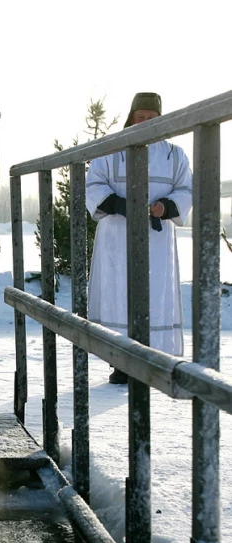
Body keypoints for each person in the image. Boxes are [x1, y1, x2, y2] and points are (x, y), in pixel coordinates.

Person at [86, 92, 193, 383]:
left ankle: (151, 359)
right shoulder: (111, 149)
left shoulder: (174, 154)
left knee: (155, 296)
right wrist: (121, 205)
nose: (145, 122)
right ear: (132, 117)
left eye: (151, 118)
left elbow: (185, 190)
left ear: (161, 119)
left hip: (156, 239)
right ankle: (120, 361)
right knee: (118, 294)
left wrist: (166, 206)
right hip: (117, 236)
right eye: (140, 117)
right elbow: (94, 185)